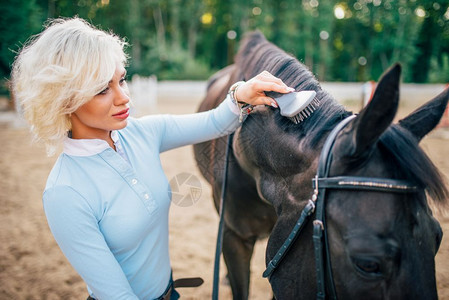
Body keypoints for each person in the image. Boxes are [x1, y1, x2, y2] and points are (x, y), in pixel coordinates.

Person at [11, 17, 293, 300]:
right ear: (64, 100)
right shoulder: (65, 192)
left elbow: (214, 123)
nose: (124, 98)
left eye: (121, 80)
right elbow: (116, 295)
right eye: (102, 89)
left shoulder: (140, 132)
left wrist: (241, 93)